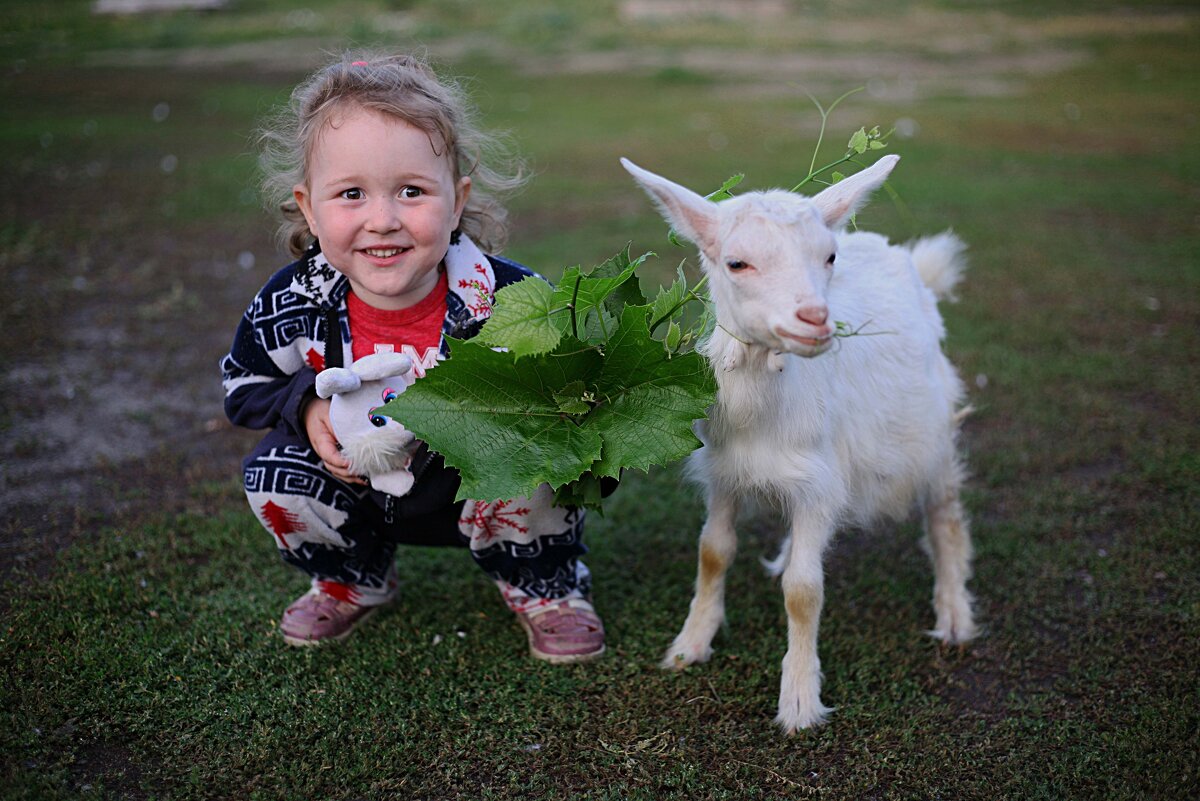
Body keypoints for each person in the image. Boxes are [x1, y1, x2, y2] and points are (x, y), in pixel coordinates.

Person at [220, 53, 604, 663]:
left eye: (411, 191)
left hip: (480, 484)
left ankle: (544, 585)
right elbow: (243, 389)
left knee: (550, 460)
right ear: (311, 208)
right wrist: (306, 409)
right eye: (351, 194)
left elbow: (582, 405)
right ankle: (353, 576)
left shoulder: (512, 299)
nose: (384, 219)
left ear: (456, 202)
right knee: (273, 472)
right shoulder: (292, 301)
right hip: (360, 481)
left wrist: (564, 414)